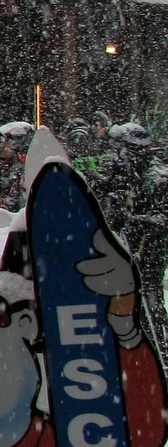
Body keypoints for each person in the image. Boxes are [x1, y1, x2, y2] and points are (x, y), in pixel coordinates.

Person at [94, 122, 167, 353]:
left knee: (150, 301)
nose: (116, 155)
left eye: (120, 149)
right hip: (128, 251)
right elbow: (109, 192)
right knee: (131, 305)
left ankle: (160, 351)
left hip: (150, 252)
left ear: (132, 150)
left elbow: (164, 219)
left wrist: (133, 220)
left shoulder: (157, 178)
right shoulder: (127, 173)